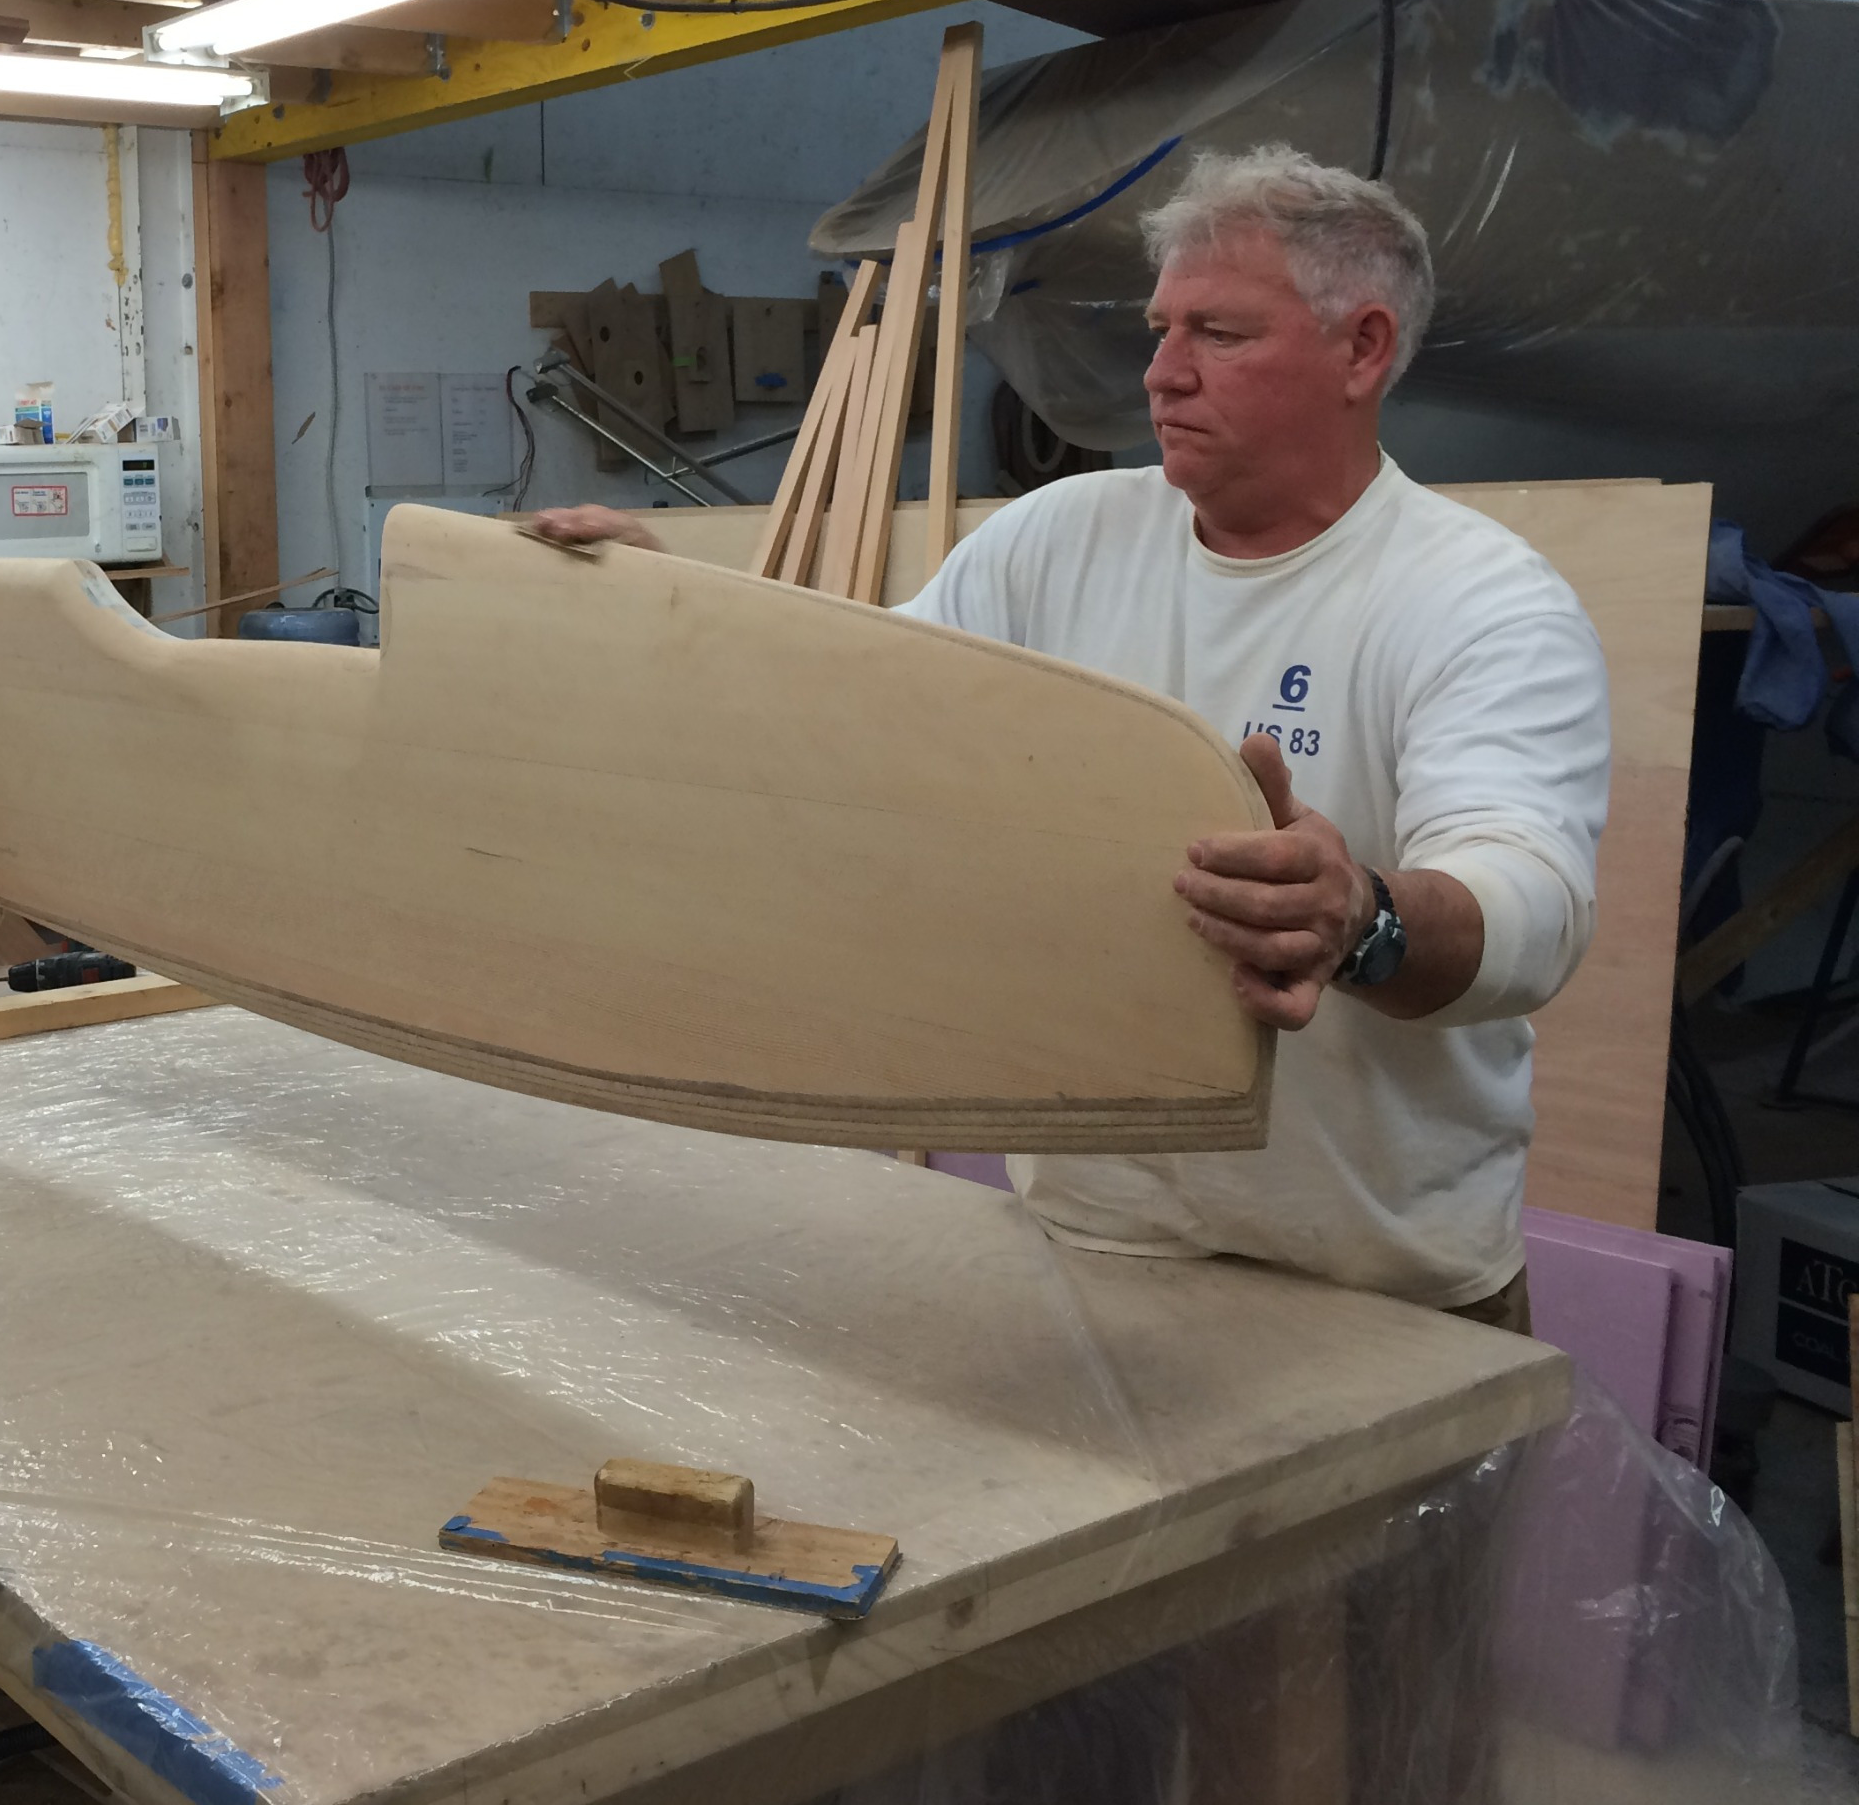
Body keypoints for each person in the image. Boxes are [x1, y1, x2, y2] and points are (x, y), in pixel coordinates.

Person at [530, 145, 1610, 1329]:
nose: (1162, 374)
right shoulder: (1057, 544)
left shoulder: (1476, 599)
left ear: (1362, 349)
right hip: (1098, 1251)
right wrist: (675, 618)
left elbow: (1531, 905)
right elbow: (855, 710)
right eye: (1161, 330)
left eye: (1219, 334)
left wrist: (1365, 917)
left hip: (1378, 1293)